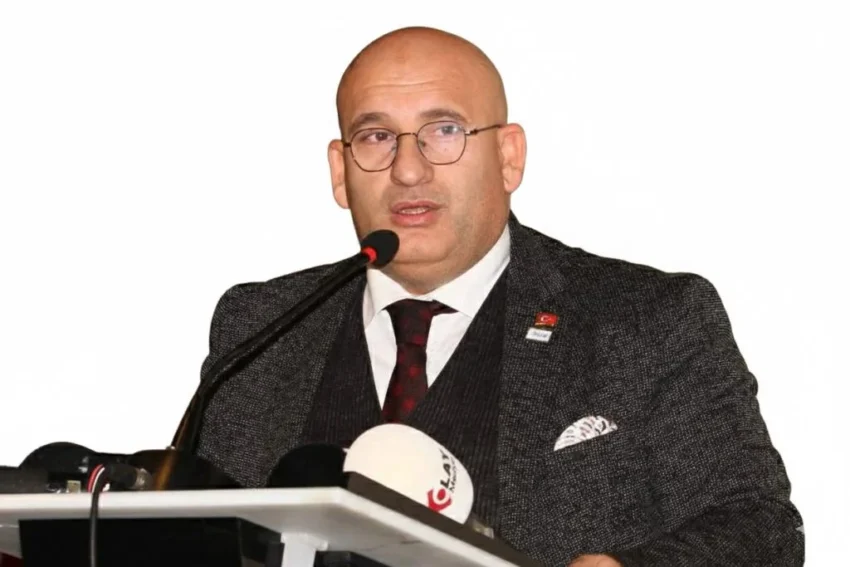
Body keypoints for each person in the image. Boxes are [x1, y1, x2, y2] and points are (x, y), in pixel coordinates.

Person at [195, 26, 804, 566]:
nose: (408, 169)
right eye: (376, 136)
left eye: (444, 131)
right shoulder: (259, 328)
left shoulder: (648, 319)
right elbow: (198, 529)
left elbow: (761, 529)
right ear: (340, 170)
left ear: (508, 157)